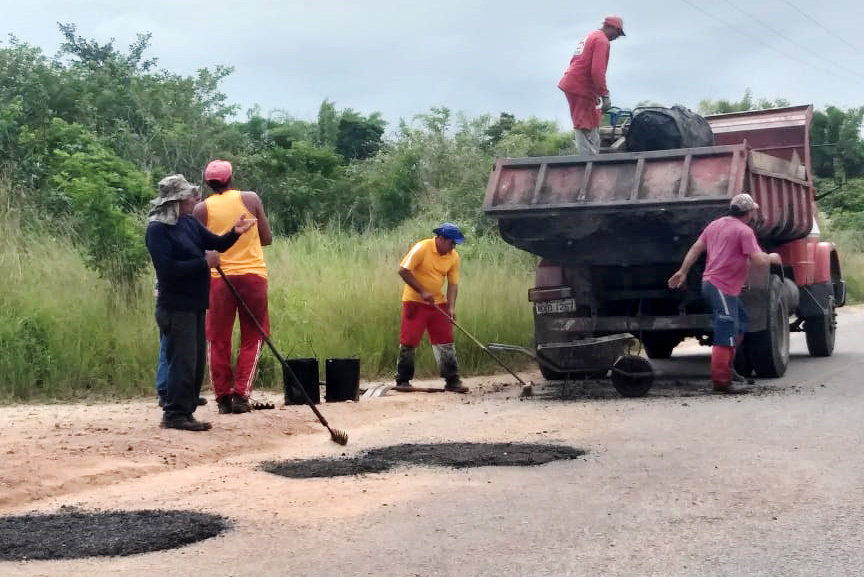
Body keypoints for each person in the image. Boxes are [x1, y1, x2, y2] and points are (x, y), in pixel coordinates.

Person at [146, 174, 256, 431]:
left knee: (193, 361)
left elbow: (215, 243)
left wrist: (234, 233)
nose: (193, 199)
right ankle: (174, 414)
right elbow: (167, 270)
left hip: (195, 303)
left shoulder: (188, 223)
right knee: (181, 360)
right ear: (176, 200)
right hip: (175, 306)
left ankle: (185, 411)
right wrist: (202, 263)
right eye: (188, 196)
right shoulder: (157, 230)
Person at [667, 194, 782, 393]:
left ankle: (729, 368)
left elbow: (696, 248)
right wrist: (772, 257)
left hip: (714, 285)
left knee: (741, 322)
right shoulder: (744, 231)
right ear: (748, 213)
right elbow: (759, 261)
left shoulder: (715, 225)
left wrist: (683, 270)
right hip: (720, 286)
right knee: (727, 327)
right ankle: (721, 381)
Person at [193, 160, 272, 415]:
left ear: (208, 183)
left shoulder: (201, 208)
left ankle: (223, 398)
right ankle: (241, 394)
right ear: (231, 178)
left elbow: (198, 245)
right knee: (254, 334)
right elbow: (266, 238)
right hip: (253, 275)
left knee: (217, 337)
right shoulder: (249, 199)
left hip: (219, 278)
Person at [395, 223, 468, 393]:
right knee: (409, 341)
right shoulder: (422, 248)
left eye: (455, 244)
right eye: (451, 243)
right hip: (414, 301)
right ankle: (403, 380)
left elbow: (453, 284)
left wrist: (451, 307)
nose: (453, 247)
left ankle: (452, 379)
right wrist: (423, 291)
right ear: (441, 239)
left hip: (437, 303)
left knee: (445, 341)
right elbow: (403, 271)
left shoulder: (453, 256)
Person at [557, 15, 625, 155]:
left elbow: (575, 62)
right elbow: (597, 71)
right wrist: (604, 93)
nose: (617, 37)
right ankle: (587, 161)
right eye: (617, 32)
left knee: (590, 120)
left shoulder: (591, 36)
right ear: (609, 27)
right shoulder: (601, 40)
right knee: (584, 123)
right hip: (581, 86)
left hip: (575, 83)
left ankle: (591, 157)